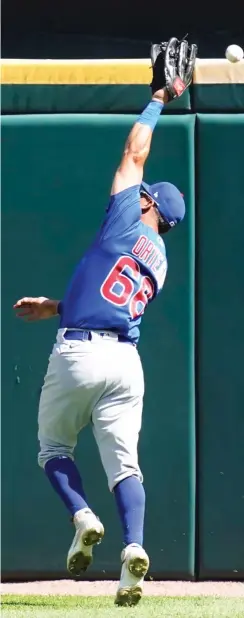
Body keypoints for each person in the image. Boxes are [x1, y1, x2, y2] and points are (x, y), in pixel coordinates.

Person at [14, 39, 196, 607]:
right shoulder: (160, 260)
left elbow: (135, 153)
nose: (136, 190)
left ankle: (83, 516)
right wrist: (59, 306)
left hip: (79, 354)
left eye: (142, 195)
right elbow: (110, 296)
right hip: (126, 361)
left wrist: (160, 99)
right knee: (125, 465)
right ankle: (134, 549)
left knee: (51, 449)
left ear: (147, 206)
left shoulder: (125, 219)